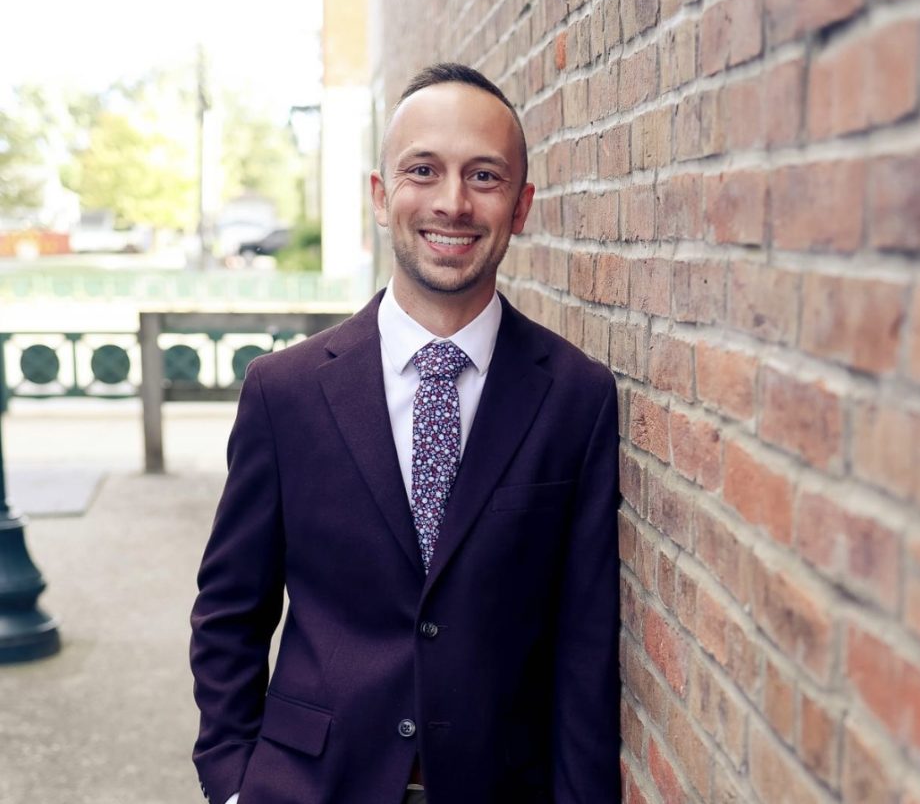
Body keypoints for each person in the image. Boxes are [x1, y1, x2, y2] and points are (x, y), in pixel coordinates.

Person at [189, 63, 621, 804]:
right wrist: (231, 780)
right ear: (383, 196)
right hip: (309, 784)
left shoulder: (576, 396)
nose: (453, 202)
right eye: (424, 169)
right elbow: (231, 608)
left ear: (520, 208)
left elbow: (585, 647)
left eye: (484, 176)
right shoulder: (284, 391)